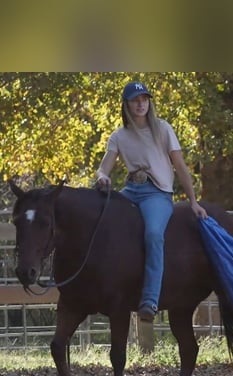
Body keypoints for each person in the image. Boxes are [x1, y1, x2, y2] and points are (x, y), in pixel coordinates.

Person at [95, 80, 208, 322]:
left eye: (144, 99)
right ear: (126, 105)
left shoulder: (163, 129)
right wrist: (102, 178)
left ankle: (150, 299)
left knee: (154, 234)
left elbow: (180, 166)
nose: (141, 104)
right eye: (135, 100)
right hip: (131, 190)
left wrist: (193, 201)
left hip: (157, 193)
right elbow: (103, 168)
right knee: (100, 221)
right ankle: (103, 287)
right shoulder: (119, 136)